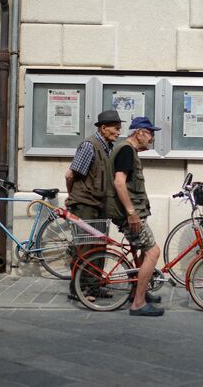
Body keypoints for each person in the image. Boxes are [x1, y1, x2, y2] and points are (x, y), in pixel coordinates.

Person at [105, 116, 165, 316]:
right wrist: (131, 213)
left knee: (143, 252)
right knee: (153, 252)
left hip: (133, 213)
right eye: (150, 134)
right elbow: (119, 183)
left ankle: (137, 293)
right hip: (129, 215)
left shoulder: (127, 149)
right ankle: (138, 303)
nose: (152, 138)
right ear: (139, 132)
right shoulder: (126, 150)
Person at [64, 109, 122, 301]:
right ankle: (78, 289)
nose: (119, 132)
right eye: (116, 128)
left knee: (99, 246)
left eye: (120, 128)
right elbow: (70, 175)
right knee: (84, 247)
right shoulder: (89, 145)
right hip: (85, 203)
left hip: (98, 203)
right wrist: (72, 196)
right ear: (103, 128)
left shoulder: (107, 147)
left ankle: (94, 285)